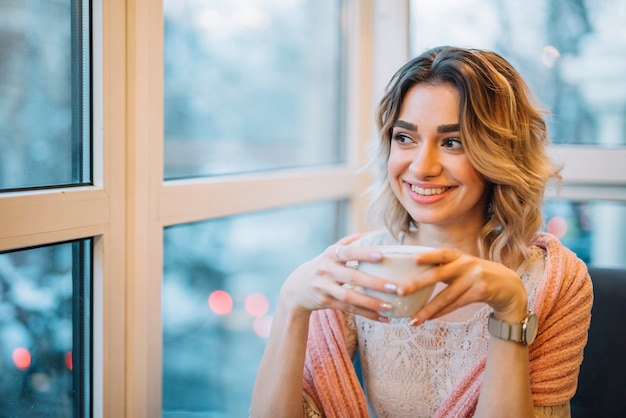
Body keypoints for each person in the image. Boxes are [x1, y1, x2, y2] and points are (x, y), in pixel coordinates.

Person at [250, 46, 592, 418]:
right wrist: (289, 306)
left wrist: (511, 310)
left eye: (452, 142)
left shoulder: (557, 282)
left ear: (501, 154)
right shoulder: (355, 267)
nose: (421, 166)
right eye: (404, 137)